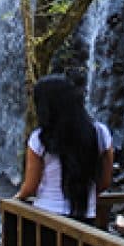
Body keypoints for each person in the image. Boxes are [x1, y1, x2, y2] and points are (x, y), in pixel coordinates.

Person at [15, 75, 114, 223]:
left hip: (47, 215)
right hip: (85, 217)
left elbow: (30, 186)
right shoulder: (100, 132)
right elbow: (105, 181)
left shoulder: (40, 137)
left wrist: (16, 198)